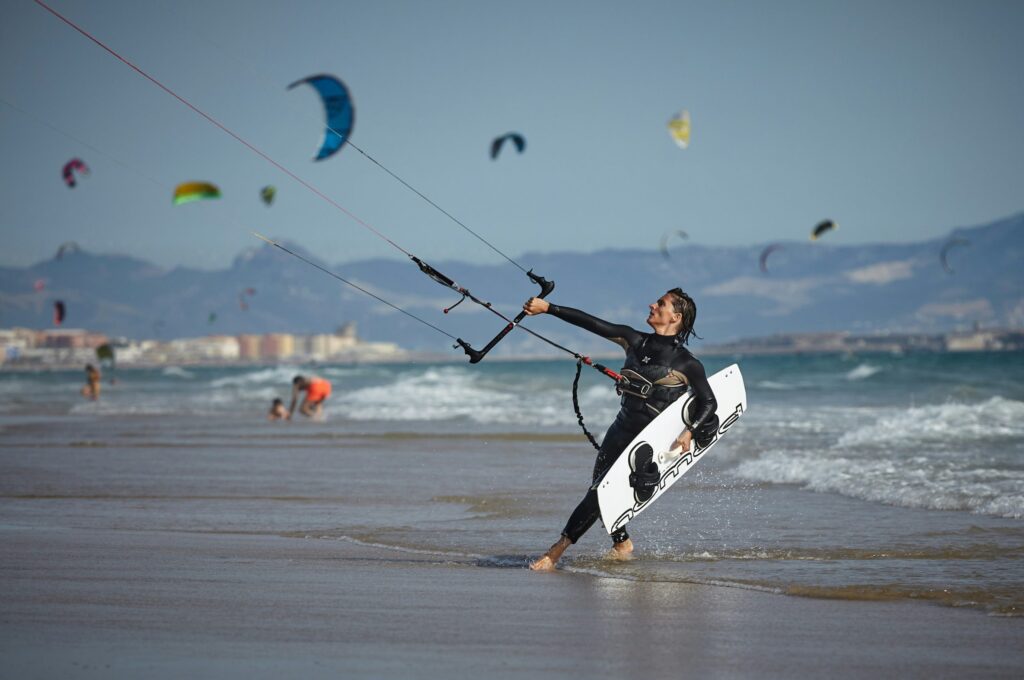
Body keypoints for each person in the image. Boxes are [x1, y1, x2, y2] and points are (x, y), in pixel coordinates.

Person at [523, 288, 719, 571]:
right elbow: (591, 323)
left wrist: (690, 431)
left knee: (599, 492)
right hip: (619, 429)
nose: (652, 304)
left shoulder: (687, 363)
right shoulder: (634, 340)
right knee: (601, 491)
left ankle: (555, 553)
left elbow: (709, 402)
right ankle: (622, 543)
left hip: (646, 442)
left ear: (675, 316)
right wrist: (548, 308)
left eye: (660, 303)